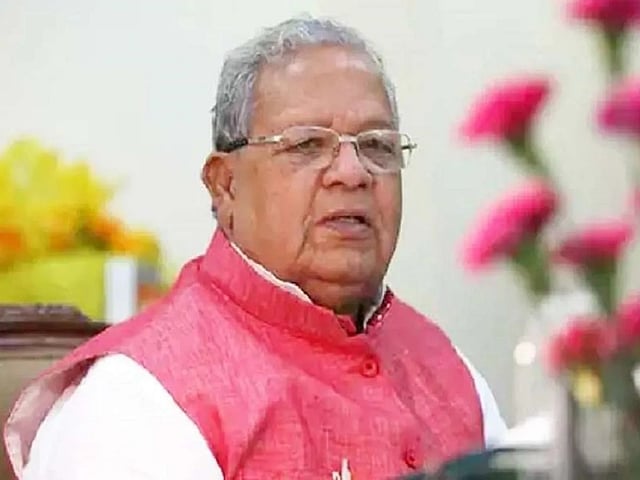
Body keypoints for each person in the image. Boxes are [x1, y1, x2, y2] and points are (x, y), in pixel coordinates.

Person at [4, 15, 506, 480]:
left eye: (377, 145)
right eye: (307, 144)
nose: (353, 173)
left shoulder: (447, 368)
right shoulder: (133, 401)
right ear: (226, 185)